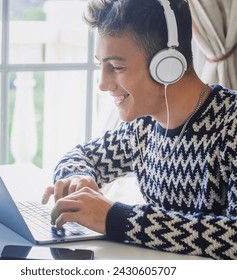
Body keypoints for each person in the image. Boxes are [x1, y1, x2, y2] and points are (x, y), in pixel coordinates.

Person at [42, 0, 237, 260]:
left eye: (117, 67)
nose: (102, 84)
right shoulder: (142, 127)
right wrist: (78, 178)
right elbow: (81, 155)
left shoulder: (231, 125)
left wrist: (116, 218)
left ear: (168, 65)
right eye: (101, 64)